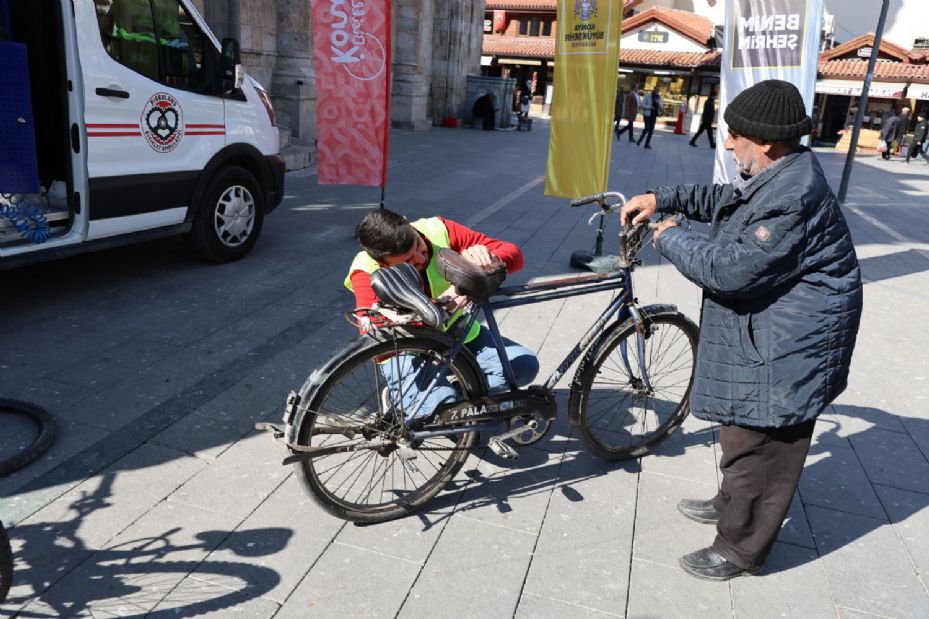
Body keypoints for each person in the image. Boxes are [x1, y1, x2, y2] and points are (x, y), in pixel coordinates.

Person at [620, 79, 863, 581]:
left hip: (793, 343)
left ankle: (740, 547)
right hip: (772, 325)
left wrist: (669, 236)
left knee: (761, 444)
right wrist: (661, 196)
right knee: (740, 432)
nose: (727, 143)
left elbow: (730, 271)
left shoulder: (794, 196)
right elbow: (726, 199)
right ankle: (733, 502)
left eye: (734, 136)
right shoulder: (778, 173)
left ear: (766, 142)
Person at [344, 209, 540, 416]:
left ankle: (453, 392)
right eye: (409, 262)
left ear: (406, 222)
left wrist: (485, 262)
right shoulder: (366, 269)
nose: (421, 257)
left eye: (418, 245)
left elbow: (513, 253)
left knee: (524, 366)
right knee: (437, 409)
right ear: (383, 263)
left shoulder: (438, 230)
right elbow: (376, 340)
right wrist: (435, 310)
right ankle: (412, 400)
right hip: (407, 350)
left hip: (458, 333)